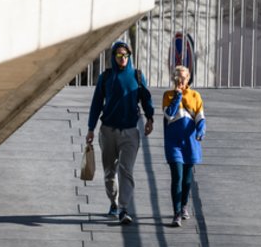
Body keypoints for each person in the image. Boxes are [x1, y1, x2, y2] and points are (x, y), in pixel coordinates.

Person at [86, 41, 154, 225]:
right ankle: (113, 203)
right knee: (109, 172)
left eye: (126, 55)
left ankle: (124, 208)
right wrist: (91, 128)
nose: (123, 58)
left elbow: (146, 99)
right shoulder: (106, 77)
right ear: (113, 57)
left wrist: (150, 118)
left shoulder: (137, 76)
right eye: (119, 55)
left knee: (126, 170)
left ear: (129, 57)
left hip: (130, 131)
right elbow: (96, 104)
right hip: (108, 131)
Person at [162, 65, 206, 227]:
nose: (181, 80)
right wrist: (178, 96)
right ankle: (177, 212)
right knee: (177, 177)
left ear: (188, 79)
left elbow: (200, 117)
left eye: (184, 77)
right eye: (178, 77)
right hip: (173, 144)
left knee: (187, 180)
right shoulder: (168, 95)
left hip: (190, 143)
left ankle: (184, 205)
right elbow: (169, 114)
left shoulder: (195, 95)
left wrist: (201, 131)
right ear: (174, 79)